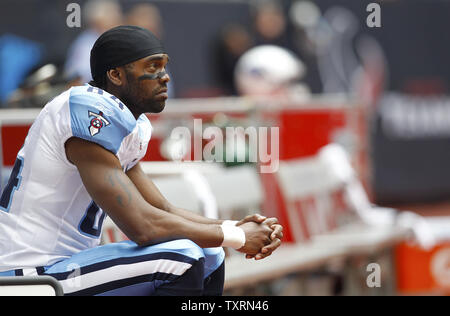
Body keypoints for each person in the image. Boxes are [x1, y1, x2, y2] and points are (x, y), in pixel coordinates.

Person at [0, 25, 283, 296]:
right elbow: (143, 227)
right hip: (31, 274)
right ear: (115, 74)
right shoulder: (89, 112)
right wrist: (238, 237)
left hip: (70, 264)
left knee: (209, 253)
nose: (165, 76)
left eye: (163, 65)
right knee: (180, 259)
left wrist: (234, 228)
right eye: (152, 67)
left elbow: (160, 208)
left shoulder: (127, 122)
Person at [64, 0, 123, 84]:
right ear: (97, 20)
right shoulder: (85, 43)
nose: (117, 17)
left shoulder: (116, 40)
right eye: (110, 13)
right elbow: (77, 78)